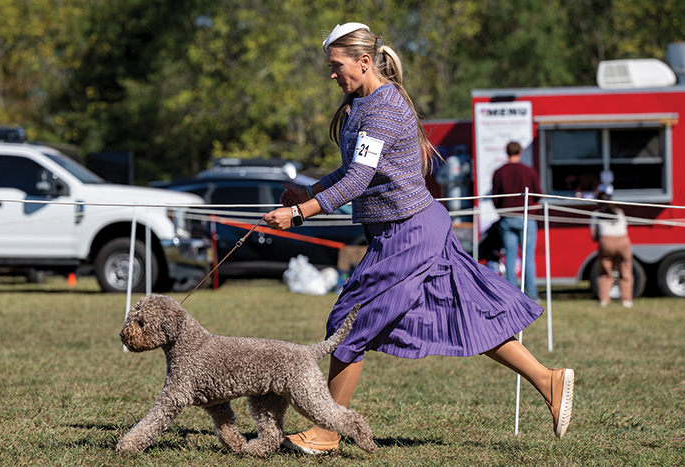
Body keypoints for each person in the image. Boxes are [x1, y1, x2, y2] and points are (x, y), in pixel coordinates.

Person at [263, 22, 574, 455]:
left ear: (364, 61)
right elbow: (353, 171)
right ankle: (549, 379)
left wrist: (300, 213)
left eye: (337, 65)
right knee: (469, 314)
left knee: (348, 323)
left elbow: (357, 181)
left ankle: (327, 431)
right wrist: (310, 191)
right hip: (412, 228)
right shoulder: (362, 104)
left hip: (408, 233)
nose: (332, 74)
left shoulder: (383, 108)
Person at [491, 142, 541, 301]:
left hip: (507, 218)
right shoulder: (529, 170)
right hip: (526, 217)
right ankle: (531, 293)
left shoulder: (499, 172)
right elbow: (538, 194)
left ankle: (512, 294)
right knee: (528, 256)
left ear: (506, 152)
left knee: (510, 256)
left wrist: (502, 211)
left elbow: (495, 198)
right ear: (520, 152)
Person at [590, 184, 633, 307]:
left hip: (606, 242)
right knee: (625, 272)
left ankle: (604, 300)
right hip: (623, 242)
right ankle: (626, 301)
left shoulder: (596, 214)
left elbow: (594, 236)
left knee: (605, 272)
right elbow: (625, 227)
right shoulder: (619, 212)